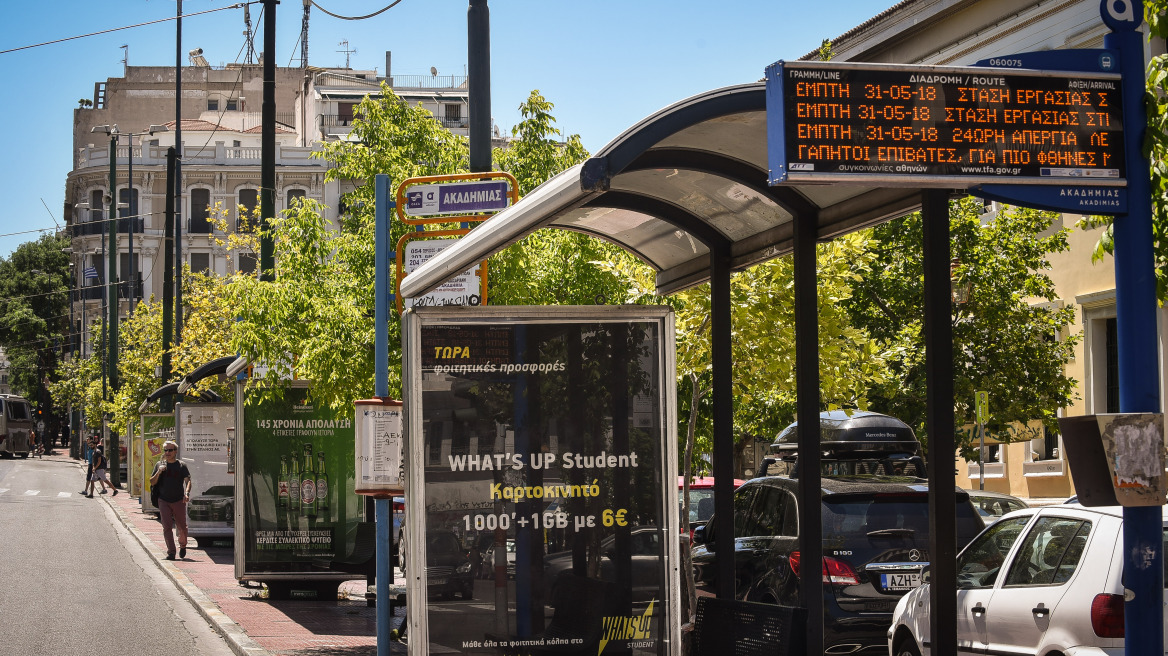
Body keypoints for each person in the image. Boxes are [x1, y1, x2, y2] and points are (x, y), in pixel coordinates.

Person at [150, 440, 191, 560]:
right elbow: (152, 482)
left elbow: (188, 481)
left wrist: (186, 493)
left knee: (182, 527)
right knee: (167, 526)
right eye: (166, 450)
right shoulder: (159, 465)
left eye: (170, 450)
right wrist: (159, 471)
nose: (167, 452)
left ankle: (183, 545)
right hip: (163, 500)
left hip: (179, 500)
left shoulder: (181, 465)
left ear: (175, 451)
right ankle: (171, 552)